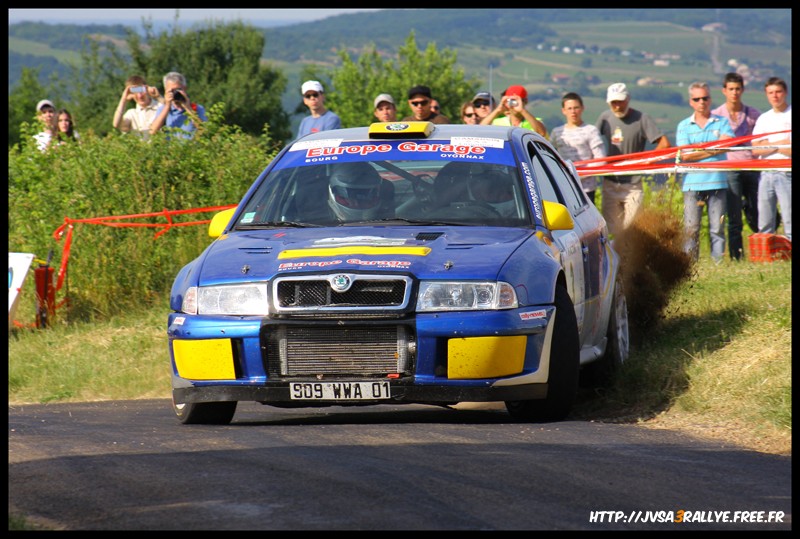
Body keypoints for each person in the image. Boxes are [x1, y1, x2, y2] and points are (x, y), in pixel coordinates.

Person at [595, 82, 670, 237]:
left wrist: (648, 160)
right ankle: (617, 260)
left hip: (633, 183)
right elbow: (592, 139)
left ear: (628, 99)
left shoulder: (642, 118)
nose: (616, 106)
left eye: (620, 101)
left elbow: (664, 143)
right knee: (611, 230)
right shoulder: (605, 118)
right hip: (610, 181)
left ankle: (630, 259)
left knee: (632, 228)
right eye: (613, 102)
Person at [675, 81, 734, 263]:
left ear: (710, 99)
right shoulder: (684, 125)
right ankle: (690, 265)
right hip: (692, 183)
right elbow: (684, 155)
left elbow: (728, 145)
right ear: (691, 102)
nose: (702, 102)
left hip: (717, 181)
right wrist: (713, 149)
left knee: (717, 227)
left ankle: (718, 264)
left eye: (705, 98)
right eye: (697, 99)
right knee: (691, 228)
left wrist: (698, 151)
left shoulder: (722, 122)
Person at [710, 72, 762, 260]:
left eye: (737, 89)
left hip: (751, 167)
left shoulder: (753, 114)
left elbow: (761, 139)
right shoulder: (716, 116)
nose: (734, 93)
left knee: (756, 212)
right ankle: (736, 256)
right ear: (724, 91)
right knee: (734, 217)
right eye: (731, 89)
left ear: (743, 90)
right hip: (730, 167)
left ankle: (762, 252)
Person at [751, 76, 791, 241]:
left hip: (787, 172)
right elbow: (755, 148)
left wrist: (768, 144)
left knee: (789, 216)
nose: (775, 96)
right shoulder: (764, 118)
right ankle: (766, 253)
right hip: (766, 172)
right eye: (771, 92)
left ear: (785, 93)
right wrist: (781, 143)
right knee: (765, 219)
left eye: (778, 92)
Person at [550, 92, 606, 204]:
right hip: (563, 187)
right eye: (569, 108)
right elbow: (550, 156)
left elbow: (601, 159)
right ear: (563, 111)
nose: (573, 112)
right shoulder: (557, 132)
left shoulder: (591, 130)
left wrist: (578, 174)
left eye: (576, 108)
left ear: (582, 108)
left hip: (586, 189)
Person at [150, 72, 207, 139]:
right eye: (172, 90)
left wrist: (188, 108)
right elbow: (152, 131)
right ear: (166, 91)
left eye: (178, 89)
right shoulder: (163, 109)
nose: (175, 93)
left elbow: (204, 131)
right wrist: (167, 105)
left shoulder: (197, 108)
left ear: (185, 88)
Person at [479, 85, 547, 138]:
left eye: (517, 101)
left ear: (525, 101)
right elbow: (480, 131)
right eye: (512, 101)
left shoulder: (534, 121)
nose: (515, 104)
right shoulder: (498, 122)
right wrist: (498, 110)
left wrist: (522, 111)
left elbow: (541, 133)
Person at [113, 75, 162, 140]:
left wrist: (158, 97)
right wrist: (123, 99)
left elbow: (171, 109)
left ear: (146, 88)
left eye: (141, 90)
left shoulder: (160, 106)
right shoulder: (131, 114)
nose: (139, 96)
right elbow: (116, 124)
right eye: (135, 92)